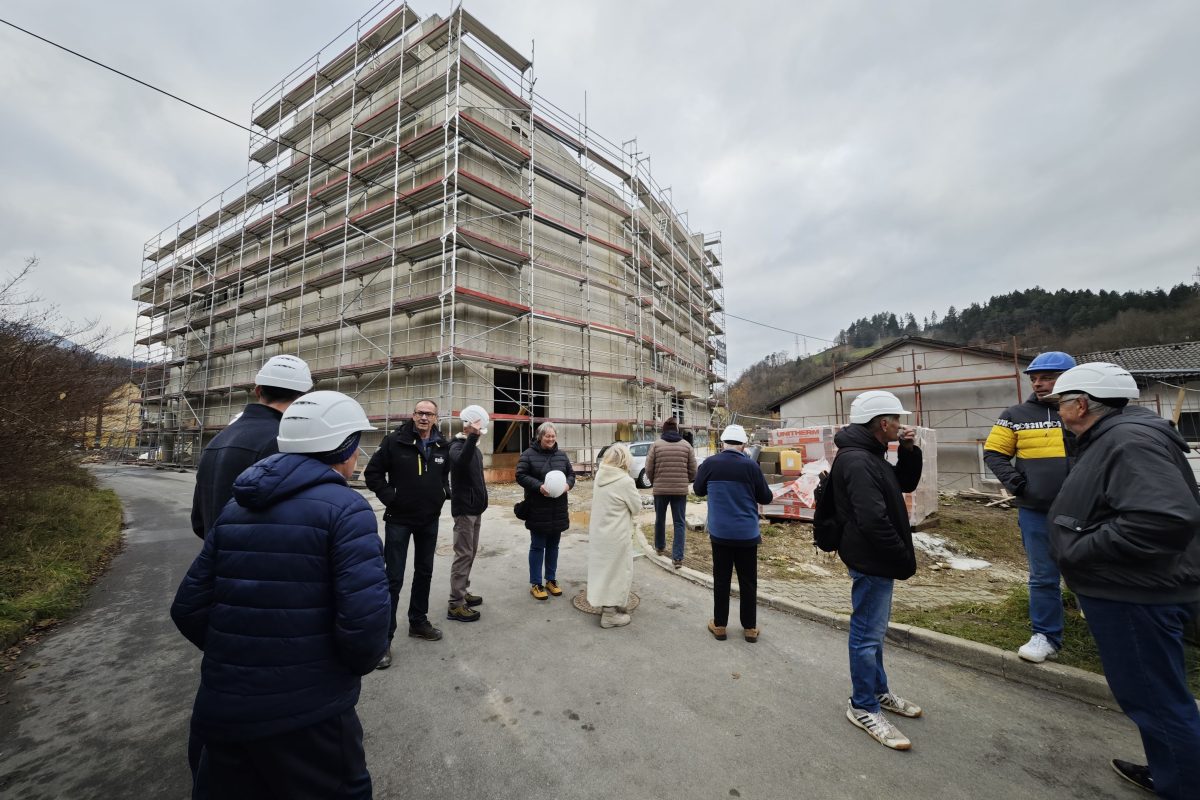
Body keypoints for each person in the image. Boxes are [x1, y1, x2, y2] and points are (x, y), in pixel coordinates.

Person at [171, 391, 388, 799]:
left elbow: (188, 607)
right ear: (345, 447)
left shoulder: (237, 505)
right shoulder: (346, 509)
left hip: (222, 706)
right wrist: (324, 672)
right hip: (308, 716)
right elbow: (365, 627)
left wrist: (241, 655)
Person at [1044, 363, 1200, 798]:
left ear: (1080, 405)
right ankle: (1172, 772)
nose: (1057, 412)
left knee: (1156, 700)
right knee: (1155, 696)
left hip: (1134, 594)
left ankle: (1184, 786)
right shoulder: (1116, 436)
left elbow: (1163, 518)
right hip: (1136, 587)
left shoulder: (1127, 441)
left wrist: (1080, 550)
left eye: (1060, 403)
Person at [830, 390, 924, 751]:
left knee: (874, 631)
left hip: (876, 557)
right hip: (871, 559)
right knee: (866, 635)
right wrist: (901, 556)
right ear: (883, 423)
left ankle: (878, 690)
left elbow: (904, 483)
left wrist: (909, 451)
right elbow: (872, 519)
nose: (900, 425)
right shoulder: (858, 460)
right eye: (896, 420)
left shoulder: (872, 454)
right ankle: (863, 705)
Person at [983, 350, 1076, 663]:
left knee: (1093, 570)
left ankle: (1104, 630)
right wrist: (1018, 485)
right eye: (1034, 378)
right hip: (1037, 510)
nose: (1038, 384)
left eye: (1047, 378)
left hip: (1086, 509)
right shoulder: (1016, 415)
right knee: (1043, 576)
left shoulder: (1084, 412)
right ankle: (1046, 635)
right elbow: (994, 452)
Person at [363, 399, 450, 668]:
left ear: (435, 418)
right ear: (413, 416)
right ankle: (383, 640)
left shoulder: (442, 445)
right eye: (420, 413)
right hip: (399, 520)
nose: (424, 417)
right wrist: (391, 498)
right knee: (393, 578)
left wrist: (443, 493)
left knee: (425, 572)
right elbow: (372, 474)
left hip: (429, 520)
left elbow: (444, 475)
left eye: (429, 414)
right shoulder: (394, 441)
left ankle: (418, 622)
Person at [190, 354, 313, 539]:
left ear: (258, 390)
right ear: (302, 398)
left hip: (214, 552)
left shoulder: (218, 440)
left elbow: (199, 522)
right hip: (262, 554)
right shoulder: (285, 442)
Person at [692, 423, 772, 644]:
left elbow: (698, 490)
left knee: (721, 578)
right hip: (747, 534)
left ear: (722, 443)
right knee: (748, 581)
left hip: (720, 533)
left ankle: (720, 625)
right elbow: (766, 497)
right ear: (744, 445)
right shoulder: (751, 466)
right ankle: (750, 628)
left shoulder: (710, 464)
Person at [516, 421, 575, 600]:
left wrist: (567, 485)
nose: (550, 439)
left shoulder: (562, 456)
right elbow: (520, 475)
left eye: (553, 436)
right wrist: (539, 486)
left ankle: (551, 580)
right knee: (537, 546)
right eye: (547, 436)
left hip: (558, 508)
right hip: (538, 508)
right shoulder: (528, 454)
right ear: (540, 436)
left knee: (553, 546)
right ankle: (536, 583)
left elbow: (571, 475)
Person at [587, 445, 641, 628]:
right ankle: (610, 615)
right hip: (617, 534)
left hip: (600, 532)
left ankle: (608, 605)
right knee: (617, 572)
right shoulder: (625, 481)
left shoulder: (600, 476)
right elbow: (636, 507)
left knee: (603, 571)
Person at [446, 406, 490, 623]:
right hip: (464, 510)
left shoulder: (475, 449)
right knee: (463, 554)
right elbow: (461, 461)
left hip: (475, 508)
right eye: (476, 432)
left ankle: (462, 591)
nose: (478, 435)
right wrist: (472, 437)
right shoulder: (455, 446)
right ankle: (455, 604)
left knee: (470, 553)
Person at [645, 417, 697, 569]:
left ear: (664, 430)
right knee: (679, 522)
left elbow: (649, 468)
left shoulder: (656, 445)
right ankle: (678, 558)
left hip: (660, 490)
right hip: (680, 491)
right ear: (676, 430)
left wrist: (655, 481)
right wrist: (685, 481)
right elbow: (693, 470)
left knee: (660, 519)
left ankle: (660, 547)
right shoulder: (686, 446)